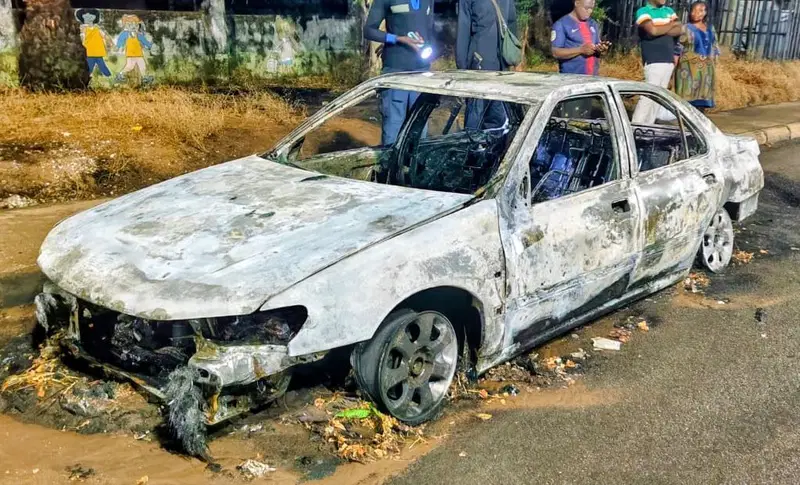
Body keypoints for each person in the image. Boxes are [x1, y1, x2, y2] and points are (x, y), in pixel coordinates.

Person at [364, 0, 435, 146]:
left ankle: (415, 168)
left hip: (422, 73)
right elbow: (369, 30)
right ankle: (389, 168)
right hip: (395, 72)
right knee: (393, 129)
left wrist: (425, 44)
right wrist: (398, 39)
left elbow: (429, 30)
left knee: (419, 132)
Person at [457, 0, 517, 129]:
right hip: (479, 66)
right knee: (476, 114)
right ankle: (472, 148)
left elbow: (511, 23)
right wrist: (462, 69)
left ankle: (494, 148)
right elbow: (463, 30)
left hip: (500, 65)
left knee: (497, 114)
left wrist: (513, 57)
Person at [632, 0, 684, 124]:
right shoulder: (643, 11)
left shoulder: (669, 11)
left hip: (668, 60)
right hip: (654, 60)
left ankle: (648, 127)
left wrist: (660, 28)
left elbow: (680, 29)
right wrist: (671, 25)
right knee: (648, 97)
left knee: (658, 99)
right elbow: (652, 31)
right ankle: (636, 126)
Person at [674, 1, 720, 113]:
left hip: (706, 70)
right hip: (688, 70)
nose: (696, 13)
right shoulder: (685, 28)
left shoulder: (710, 28)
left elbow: (714, 47)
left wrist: (714, 63)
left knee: (702, 102)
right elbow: (677, 48)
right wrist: (673, 68)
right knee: (687, 102)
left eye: (700, 10)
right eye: (694, 10)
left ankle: (699, 124)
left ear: (705, 13)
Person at [551, 0, 611, 76]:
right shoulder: (561, 24)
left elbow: (597, 47)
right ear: (576, 3)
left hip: (593, 79)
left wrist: (601, 49)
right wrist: (580, 50)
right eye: (586, 8)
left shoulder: (593, 24)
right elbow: (555, 52)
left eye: (591, 8)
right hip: (571, 80)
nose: (589, 11)